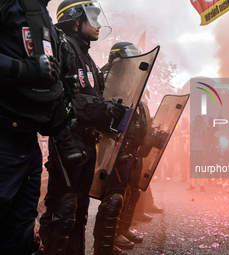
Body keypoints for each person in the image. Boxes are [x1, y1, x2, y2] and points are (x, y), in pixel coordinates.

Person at [39, 1, 125, 254]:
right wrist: (96, 108)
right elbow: (56, 92)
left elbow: (91, 97)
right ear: (76, 19)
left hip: (88, 139)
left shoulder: (86, 56)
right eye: (93, 18)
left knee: (79, 207)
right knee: (62, 208)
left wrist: (109, 110)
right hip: (68, 137)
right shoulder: (61, 45)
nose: (98, 24)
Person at [0, 0, 76, 253]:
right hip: (3, 137)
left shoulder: (43, 15)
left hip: (27, 142)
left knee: (23, 237)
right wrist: (21, 69)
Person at [93, 42, 146, 255]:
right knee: (112, 199)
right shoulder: (109, 81)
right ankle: (104, 247)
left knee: (126, 193)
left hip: (130, 148)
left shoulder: (130, 83)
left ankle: (119, 232)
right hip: (115, 147)